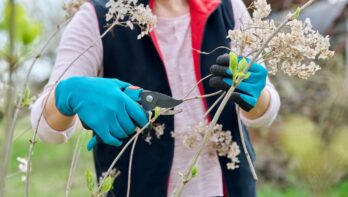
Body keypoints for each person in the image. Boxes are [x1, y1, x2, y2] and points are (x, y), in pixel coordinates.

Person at [31, 0, 280, 196]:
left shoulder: (228, 9)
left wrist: (255, 97)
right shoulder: (98, 18)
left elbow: (264, 112)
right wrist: (69, 94)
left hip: (230, 188)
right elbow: (43, 126)